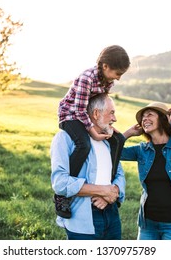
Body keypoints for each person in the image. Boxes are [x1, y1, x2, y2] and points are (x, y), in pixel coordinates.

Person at [54, 45, 130, 218]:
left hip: (87, 116)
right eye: (118, 73)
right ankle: (62, 196)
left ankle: (107, 184)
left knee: (116, 139)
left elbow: (99, 102)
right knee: (83, 145)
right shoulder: (86, 78)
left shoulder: (108, 80)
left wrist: (107, 125)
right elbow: (80, 110)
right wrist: (93, 132)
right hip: (70, 116)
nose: (118, 78)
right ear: (105, 67)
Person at [121, 102, 171, 240]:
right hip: (148, 224)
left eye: (150, 115)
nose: (144, 119)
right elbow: (114, 152)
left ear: (163, 119)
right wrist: (128, 133)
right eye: (143, 117)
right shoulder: (142, 150)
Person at [51, 93, 126, 240]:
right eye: (111, 113)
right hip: (83, 217)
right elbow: (60, 183)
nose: (115, 119)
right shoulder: (65, 138)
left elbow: (119, 174)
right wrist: (104, 191)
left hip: (111, 214)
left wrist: (112, 192)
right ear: (96, 114)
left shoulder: (108, 141)